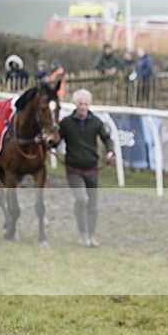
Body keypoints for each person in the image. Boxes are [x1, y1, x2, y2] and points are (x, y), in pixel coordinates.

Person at [58, 88, 116, 248]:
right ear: (75, 104)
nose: (83, 107)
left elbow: (107, 138)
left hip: (92, 169)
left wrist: (110, 151)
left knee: (92, 204)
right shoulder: (66, 123)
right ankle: (82, 233)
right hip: (73, 169)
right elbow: (56, 140)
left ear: (89, 105)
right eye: (80, 103)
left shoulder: (97, 122)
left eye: (85, 104)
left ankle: (91, 235)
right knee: (81, 199)